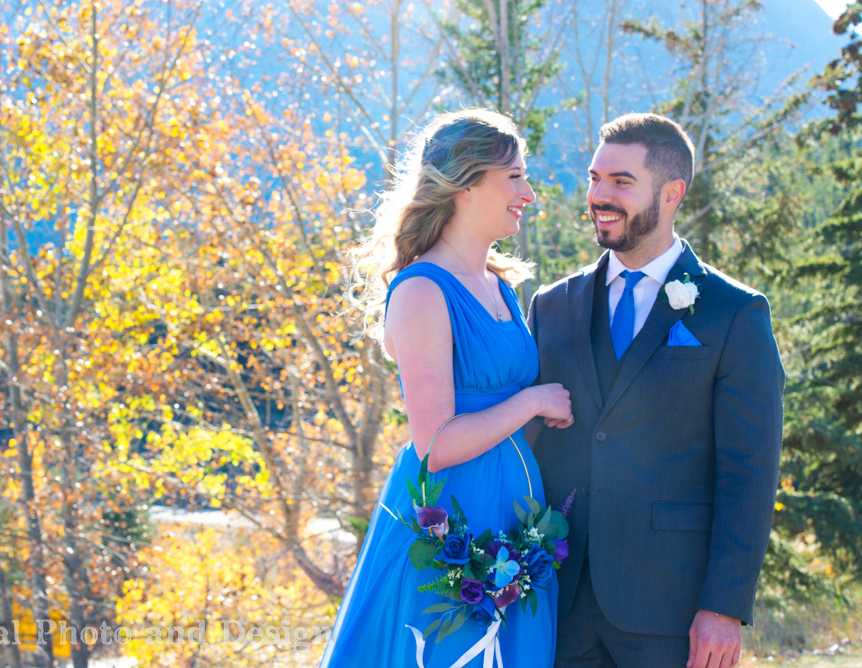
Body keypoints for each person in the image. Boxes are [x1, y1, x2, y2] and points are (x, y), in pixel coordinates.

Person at [527, 113, 784, 668]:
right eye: (595, 178)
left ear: (672, 193)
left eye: (621, 182)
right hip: (556, 601)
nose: (599, 195)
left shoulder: (734, 312)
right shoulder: (552, 306)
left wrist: (724, 606)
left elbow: (750, 470)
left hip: (673, 609)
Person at [320, 109, 574, 667]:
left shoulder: (500, 285)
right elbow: (436, 444)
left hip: (514, 512)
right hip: (451, 513)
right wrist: (532, 401)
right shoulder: (421, 291)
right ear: (464, 184)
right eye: (514, 177)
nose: (528, 192)